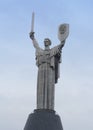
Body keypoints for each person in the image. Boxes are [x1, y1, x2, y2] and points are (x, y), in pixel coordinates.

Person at [29, 32, 65, 110]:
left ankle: (49, 108)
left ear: (49, 43)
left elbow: (60, 46)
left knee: (49, 88)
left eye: (47, 41)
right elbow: (36, 45)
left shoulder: (53, 50)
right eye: (44, 41)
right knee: (40, 89)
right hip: (41, 71)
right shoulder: (40, 51)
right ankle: (40, 107)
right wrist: (33, 38)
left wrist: (63, 39)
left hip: (49, 70)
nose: (45, 42)